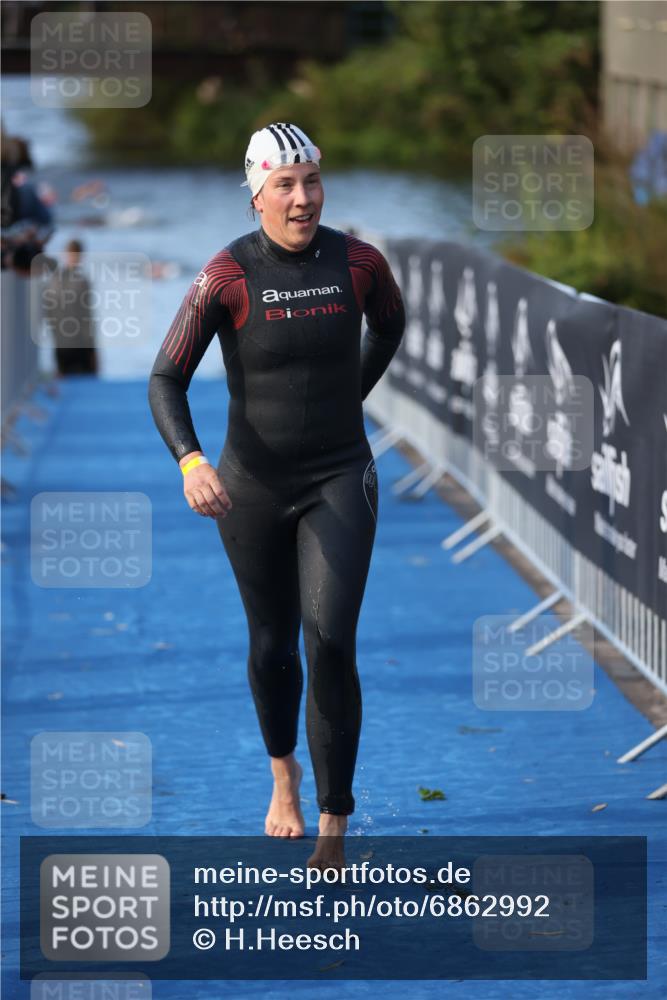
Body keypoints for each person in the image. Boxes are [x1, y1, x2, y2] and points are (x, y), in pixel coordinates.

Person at [148, 122, 405, 871]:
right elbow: (166, 377)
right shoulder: (227, 274)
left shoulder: (358, 263)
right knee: (271, 645)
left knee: (328, 639)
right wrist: (191, 461)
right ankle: (282, 774)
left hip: (339, 474)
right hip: (251, 485)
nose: (303, 199)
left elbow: (389, 328)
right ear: (257, 192)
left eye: (312, 182)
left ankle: (334, 818)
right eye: (285, 186)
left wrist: (346, 399)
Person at [42, 238, 99, 376]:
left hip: (69, 340)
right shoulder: (72, 280)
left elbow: (86, 316)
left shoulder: (57, 279)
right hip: (70, 341)